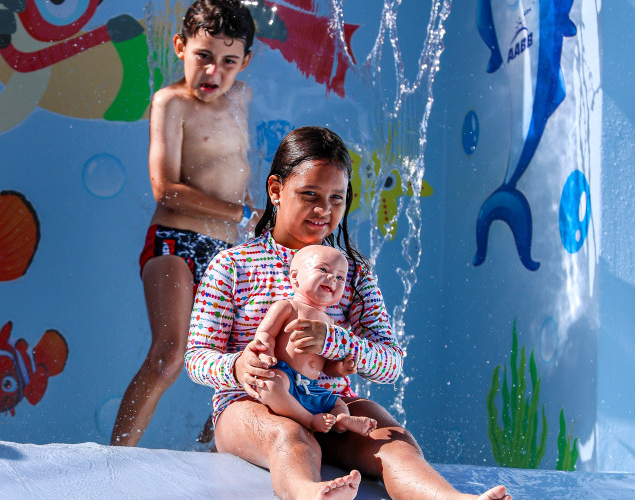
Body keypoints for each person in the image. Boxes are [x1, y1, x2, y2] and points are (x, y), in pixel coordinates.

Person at [185, 126, 511, 499]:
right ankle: (310, 493)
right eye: (309, 195)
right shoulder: (233, 265)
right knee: (289, 435)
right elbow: (196, 358)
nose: (323, 210)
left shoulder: (354, 274)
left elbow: (390, 364)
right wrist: (238, 367)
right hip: (251, 405)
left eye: (336, 198)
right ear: (276, 190)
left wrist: (337, 342)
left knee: (395, 442)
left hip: (330, 406)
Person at [111, 0, 257, 446]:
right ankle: (114, 461)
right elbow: (166, 189)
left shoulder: (242, 98)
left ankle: (217, 455)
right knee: (170, 355)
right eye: (203, 56)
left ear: (244, 62)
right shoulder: (171, 102)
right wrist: (239, 213)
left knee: (249, 364)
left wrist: (258, 217)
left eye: (228, 61)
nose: (214, 72)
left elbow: (235, 171)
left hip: (227, 252)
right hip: (175, 242)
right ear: (180, 47)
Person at [253, 244, 378, 436]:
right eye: (323, 270)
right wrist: (266, 353)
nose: (332, 278)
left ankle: (341, 420)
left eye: (340, 278)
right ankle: (308, 420)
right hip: (284, 375)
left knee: (338, 403)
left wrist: (339, 368)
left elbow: (325, 366)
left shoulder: (331, 324)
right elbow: (265, 334)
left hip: (310, 386)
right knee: (268, 385)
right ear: (295, 276)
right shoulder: (287, 307)